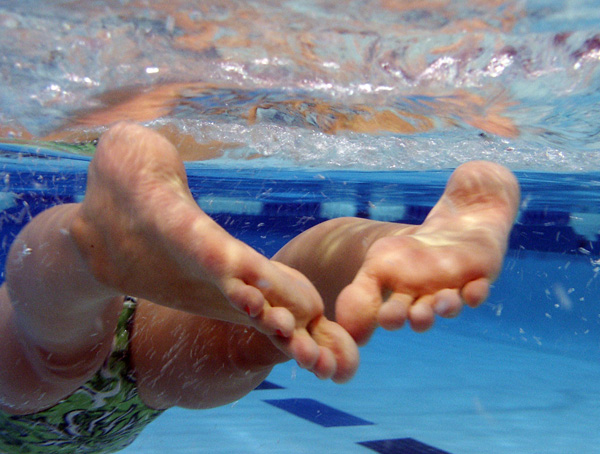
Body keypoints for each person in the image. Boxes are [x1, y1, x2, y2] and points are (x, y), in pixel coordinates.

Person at [0, 122, 520, 453]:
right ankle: (396, 243)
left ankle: (93, 245)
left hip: (55, 424)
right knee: (243, 343)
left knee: (44, 356)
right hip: (127, 404)